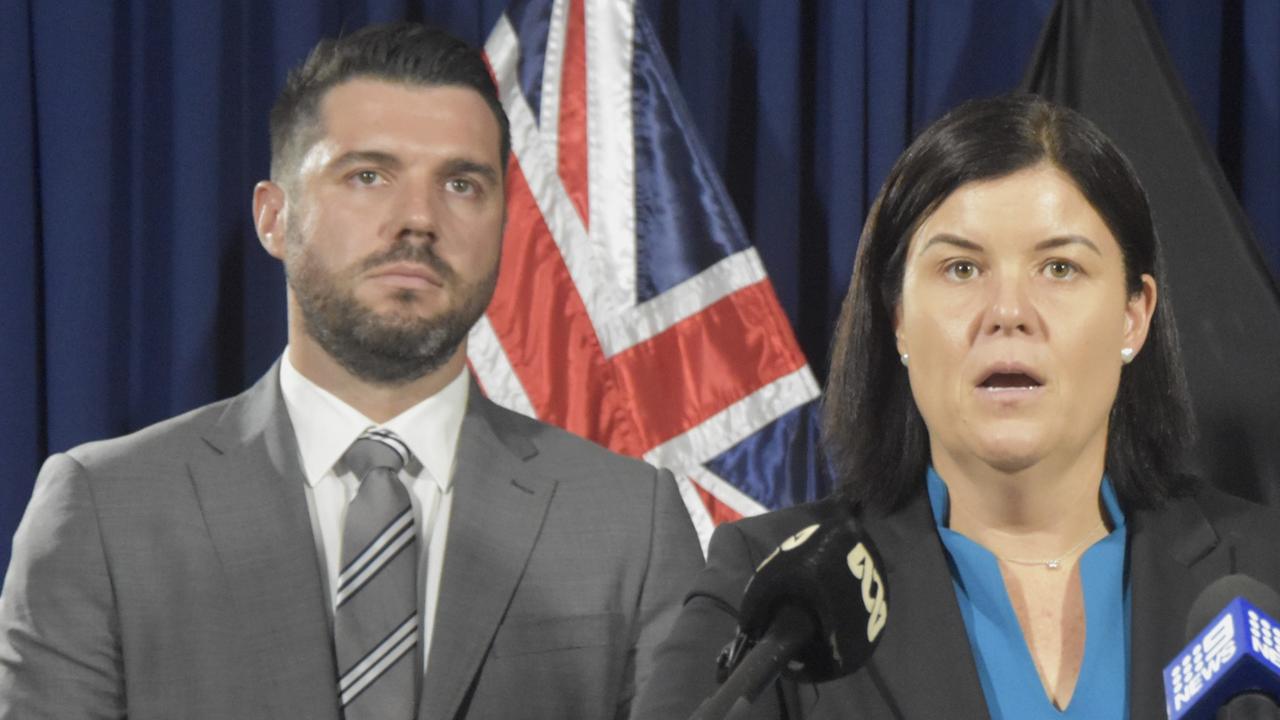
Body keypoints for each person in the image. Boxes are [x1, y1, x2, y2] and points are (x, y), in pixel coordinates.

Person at [0, 22, 702, 720]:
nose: (419, 219)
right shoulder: (102, 511)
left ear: (503, 223)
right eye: (368, 176)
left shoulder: (629, 522)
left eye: (461, 183)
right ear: (274, 218)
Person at [632, 94, 1280, 719]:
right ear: (899, 322)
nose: (1008, 314)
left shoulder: (1265, 567)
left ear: (1133, 318)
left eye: (1059, 269)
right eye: (961, 270)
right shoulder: (776, 588)